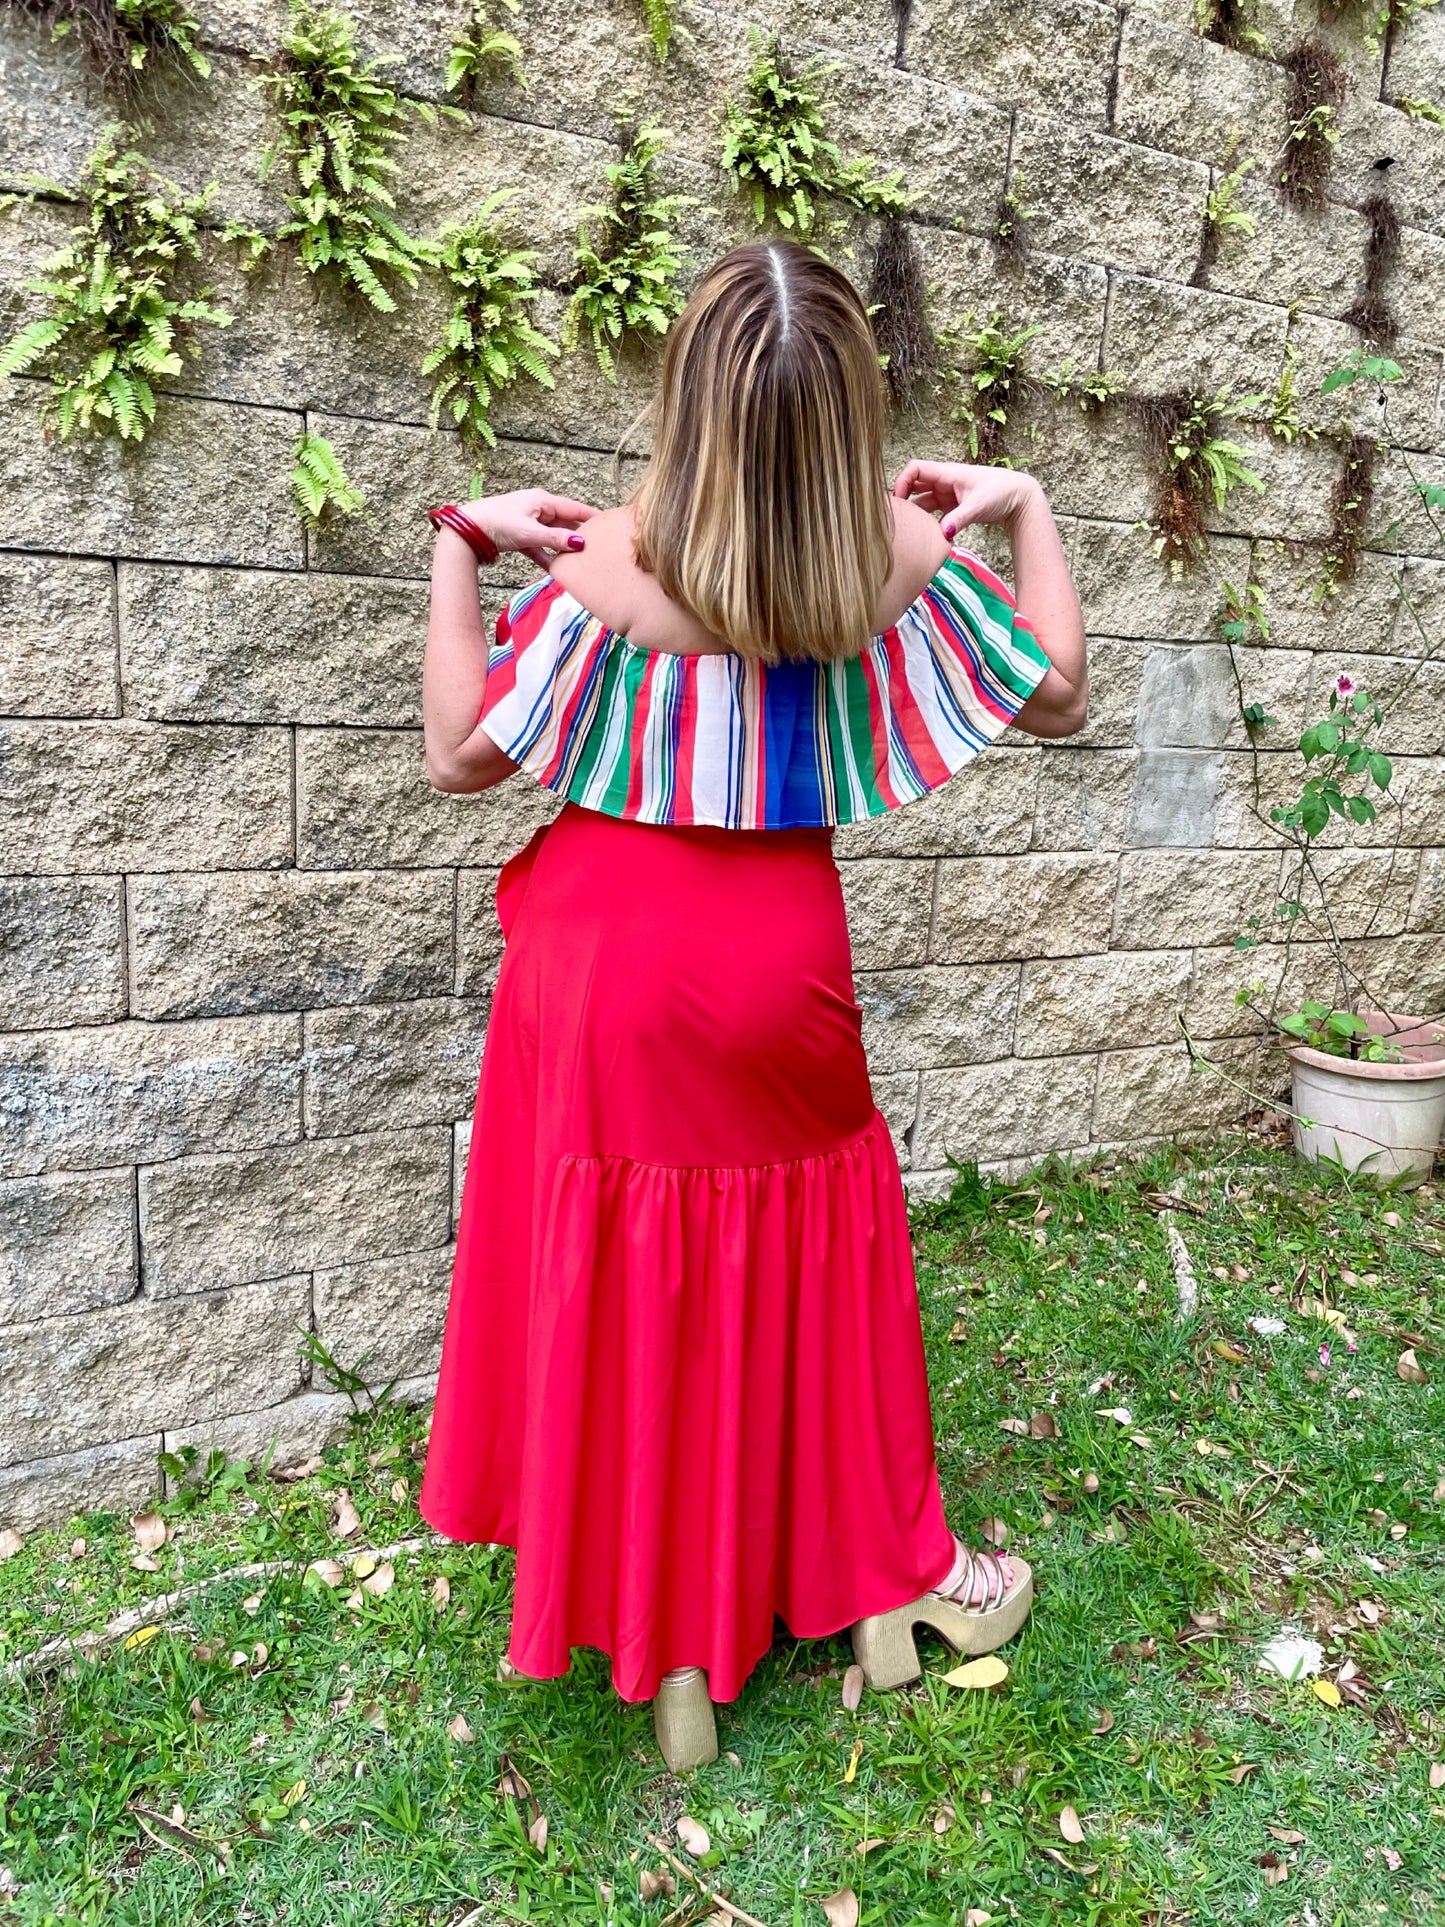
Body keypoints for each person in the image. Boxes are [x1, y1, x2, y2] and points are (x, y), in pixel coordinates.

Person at [418, 240, 1087, 1772]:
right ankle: (887, 1584)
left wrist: (462, 542)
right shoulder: (889, 566)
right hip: (775, 964)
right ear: (846, 410)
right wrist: (1025, 506)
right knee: (809, 1238)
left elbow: (460, 755)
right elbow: (1058, 691)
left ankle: (664, 1656)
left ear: (691, 403)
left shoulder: (599, 571)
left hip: (593, 967)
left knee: (625, 1254)